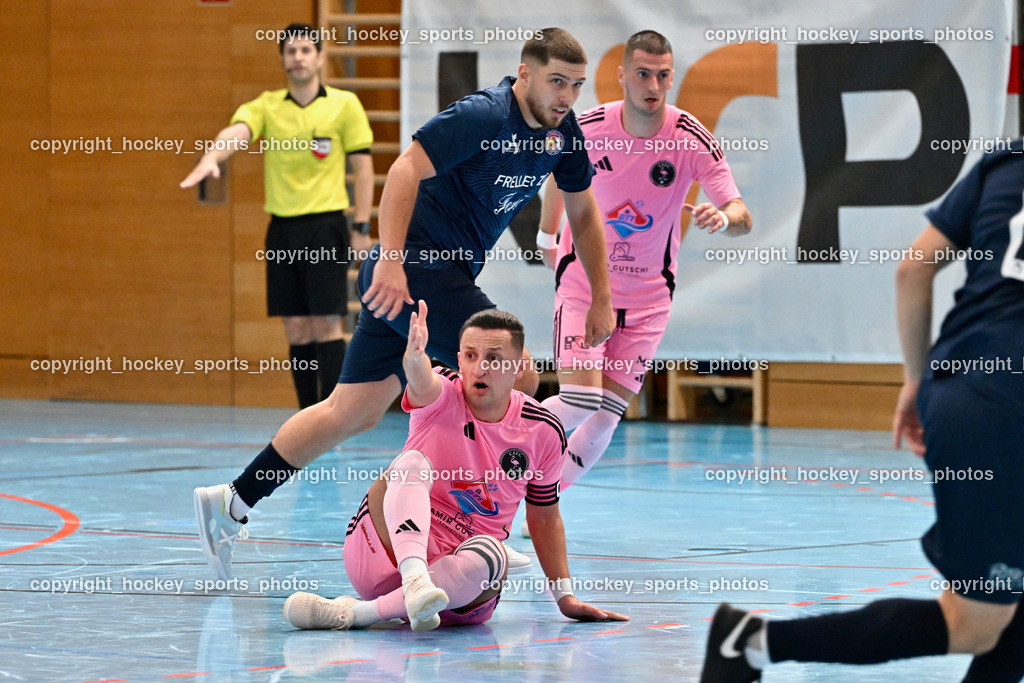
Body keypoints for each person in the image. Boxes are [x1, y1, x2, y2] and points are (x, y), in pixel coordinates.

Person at [193, 27, 615, 581]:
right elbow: (404, 169)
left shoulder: (563, 135)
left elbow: (583, 213)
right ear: (525, 74)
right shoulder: (485, 115)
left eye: (577, 85)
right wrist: (390, 260)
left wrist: (602, 295)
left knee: (352, 411)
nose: (567, 96)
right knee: (519, 374)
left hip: (437, 276)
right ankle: (481, 528)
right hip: (418, 270)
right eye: (557, 82)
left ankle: (231, 502)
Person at [700, 142, 1024, 681]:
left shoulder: (1008, 162)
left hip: (962, 387)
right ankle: (752, 642)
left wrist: (916, 381)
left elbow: (912, 270)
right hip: (1003, 411)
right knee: (973, 623)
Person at [283, 305, 628, 631]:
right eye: (471, 356)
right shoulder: (443, 392)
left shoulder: (544, 431)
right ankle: (415, 580)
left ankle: (359, 614)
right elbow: (422, 381)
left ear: (518, 369)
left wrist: (565, 596)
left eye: (494, 358)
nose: (480, 368)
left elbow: (545, 517)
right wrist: (414, 359)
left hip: (459, 592)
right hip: (383, 557)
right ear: (459, 359)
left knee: (493, 555)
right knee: (410, 463)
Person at [534, 31, 750, 495]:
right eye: (643, 74)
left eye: (663, 75)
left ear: (672, 78)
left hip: (649, 300)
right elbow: (558, 175)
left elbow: (741, 214)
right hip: (585, 285)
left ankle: (541, 502)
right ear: (622, 75)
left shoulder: (690, 138)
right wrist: (547, 235)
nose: (653, 85)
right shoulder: (588, 128)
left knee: (604, 420)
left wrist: (723, 217)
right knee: (579, 402)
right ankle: (490, 452)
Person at [181, 23, 375, 409]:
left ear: (319, 57)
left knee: (326, 323)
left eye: (306, 50)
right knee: (297, 328)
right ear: (283, 59)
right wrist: (213, 155)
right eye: (291, 51)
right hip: (283, 230)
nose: (298, 57)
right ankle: (307, 415)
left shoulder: (343, 105)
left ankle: (331, 415)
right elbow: (239, 131)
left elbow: (364, 169)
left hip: (326, 226)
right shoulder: (267, 105)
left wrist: (361, 227)